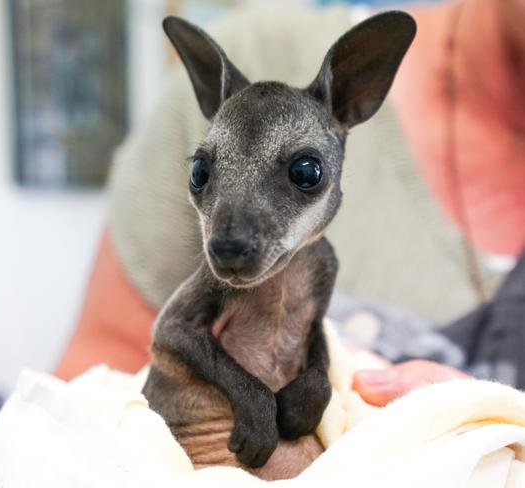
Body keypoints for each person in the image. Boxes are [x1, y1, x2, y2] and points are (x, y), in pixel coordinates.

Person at [55, 0, 525, 405]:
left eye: (303, 175)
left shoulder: (317, 265)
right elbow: (94, 387)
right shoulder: (260, 51)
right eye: (203, 176)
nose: (230, 237)